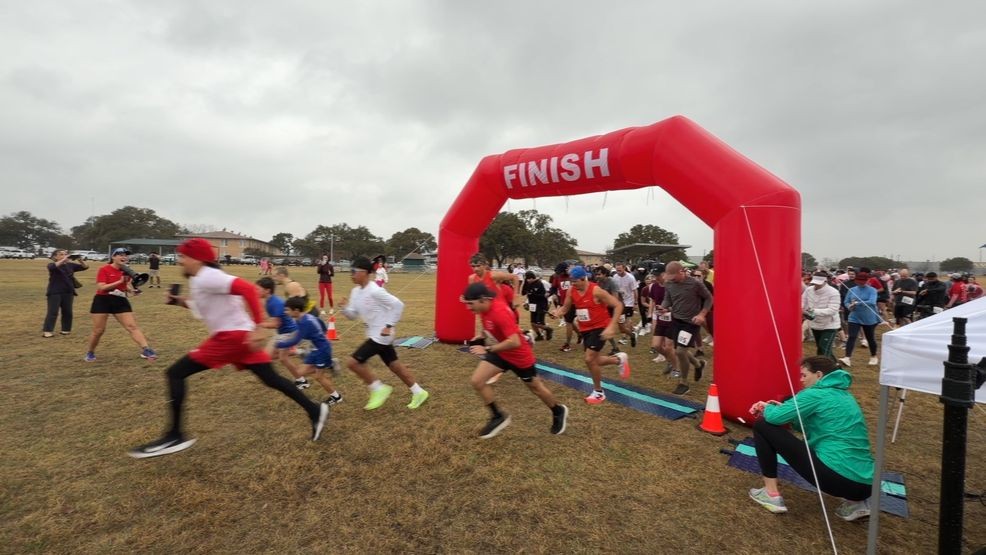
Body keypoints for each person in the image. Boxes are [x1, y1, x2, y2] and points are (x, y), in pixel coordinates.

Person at [128, 238, 328, 458]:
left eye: (183, 256)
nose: (179, 261)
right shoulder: (199, 280)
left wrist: (260, 327)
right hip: (240, 337)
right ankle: (315, 410)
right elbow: (203, 307)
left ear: (198, 258)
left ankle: (175, 435)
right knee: (271, 379)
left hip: (231, 338)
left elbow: (247, 290)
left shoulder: (208, 275)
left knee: (175, 373)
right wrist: (177, 301)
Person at [747, 356, 874, 521]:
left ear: (819, 375)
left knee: (763, 424)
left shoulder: (814, 394)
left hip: (835, 477)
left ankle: (770, 493)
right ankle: (856, 504)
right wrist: (787, 411)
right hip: (866, 486)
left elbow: (774, 418)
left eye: (804, 375)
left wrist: (767, 407)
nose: (801, 380)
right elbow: (812, 427)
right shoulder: (846, 397)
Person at [462, 282, 568, 438]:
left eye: (471, 304)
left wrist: (487, 349)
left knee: (536, 388)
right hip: (502, 352)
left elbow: (514, 342)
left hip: (519, 356)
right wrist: (481, 336)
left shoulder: (499, 312)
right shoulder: (483, 308)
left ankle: (558, 410)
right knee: (477, 381)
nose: (468, 308)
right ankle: (498, 416)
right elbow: (488, 327)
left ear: (483, 299)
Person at [340, 256, 430, 410]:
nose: (352, 274)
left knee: (353, 362)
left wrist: (389, 325)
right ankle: (419, 392)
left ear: (365, 273)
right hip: (374, 334)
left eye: (354, 271)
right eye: (351, 271)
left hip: (381, 335)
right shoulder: (355, 291)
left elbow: (398, 305)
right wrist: (344, 308)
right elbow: (353, 315)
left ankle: (378, 388)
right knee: (395, 365)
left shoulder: (375, 290)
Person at [551, 265, 626, 405]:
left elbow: (618, 305)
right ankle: (619, 360)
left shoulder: (596, 290)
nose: (572, 284)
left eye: (575, 281)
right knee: (595, 360)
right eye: (571, 281)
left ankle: (598, 392)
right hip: (585, 328)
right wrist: (558, 312)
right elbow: (566, 307)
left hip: (600, 327)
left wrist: (611, 326)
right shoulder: (571, 291)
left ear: (583, 278)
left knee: (589, 359)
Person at [84, 248, 157, 362]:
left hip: (120, 300)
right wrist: (119, 281)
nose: (124, 257)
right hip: (103, 300)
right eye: (120, 255)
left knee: (132, 326)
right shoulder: (104, 269)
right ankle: (90, 352)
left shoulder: (126, 270)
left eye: (125, 255)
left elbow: (125, 286)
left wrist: (132, 291)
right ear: (113, 257)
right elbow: (102, 287)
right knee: (99, 330)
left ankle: (146, 349)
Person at [276, 297, 342, 406]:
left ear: (296, 311)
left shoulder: (304, 322)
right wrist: (323, 335)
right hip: (315, 349)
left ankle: (336, 397)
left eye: (287, 310)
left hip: (322, 350)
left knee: (319, 376)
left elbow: (296, 340)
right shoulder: (306, 317)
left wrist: (278, 344)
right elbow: (321, 323)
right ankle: (329, 364)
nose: (285, 312)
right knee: (300, 373)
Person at [659, 261, 712, 395]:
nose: (672, 280)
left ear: (681, 272)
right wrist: (663, 307)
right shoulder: (669, 284)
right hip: (677, 320)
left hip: (691, 322)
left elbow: (709, 298)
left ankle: (684, 383)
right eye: (669, 278)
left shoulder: (695, 284)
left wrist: (702, 314)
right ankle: (699, 364)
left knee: (680, 352)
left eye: (673, 277)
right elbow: (668, 299)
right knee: (680, 350)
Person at [256, 277, 307, 389]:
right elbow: (272, 319)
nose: (256, 291)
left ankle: (301, 379)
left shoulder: (275, 303)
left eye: (258, 289)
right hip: (284, 332)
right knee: (275, 357)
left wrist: (259, 324)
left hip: (289, 332)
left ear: (267, 290)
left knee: (276, 357)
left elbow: (276, 324)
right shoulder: (269, 301)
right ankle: (299, 353)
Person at [42, 250, 88, 338]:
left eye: (65, 254)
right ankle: (48, 331)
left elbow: (85, 267)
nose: (64, 256)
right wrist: (64, 260)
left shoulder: (70, 265)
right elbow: (52, 267)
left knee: (68, 312)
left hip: (68, 291)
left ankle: (66, 329)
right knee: (53, 312)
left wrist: (80, 260)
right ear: (55, 257)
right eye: (61, 254)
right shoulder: (52, 265)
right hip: (55, 292)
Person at [839, 272, 881, 368]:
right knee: (852, 336)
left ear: (867, 281)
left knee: (870, 338)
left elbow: (872, 302)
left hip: (869, 318)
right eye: (859, 280)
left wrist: (857, 303)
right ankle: (847, 357)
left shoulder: (872, 290)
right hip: (854, 317)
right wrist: (849, 306)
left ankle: (873, 356)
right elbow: (846, 301)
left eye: (863, 281)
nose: (861, 282)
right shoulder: (852, 290)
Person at [802, 271, 841, 359]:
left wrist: (814, 311)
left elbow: (833, 310)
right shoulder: (809, 289)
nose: (816, 285)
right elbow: (802, 301)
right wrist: (802, 309)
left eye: (818, 283)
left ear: (825, 281)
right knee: (822, 349)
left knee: (824, 350)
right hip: (815, 323)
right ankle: (837, 369)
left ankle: (826, 370)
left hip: (830, 325)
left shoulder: (833, 292)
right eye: (815, 282)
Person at [611, 263, 639, 348]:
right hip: (620, 302)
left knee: (627, 319)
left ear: (624, 269)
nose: (618, 272)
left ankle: (624, 337)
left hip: (629, 301)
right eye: (617, 270)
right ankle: (632, 333)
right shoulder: (615, 277)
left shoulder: (630, 278)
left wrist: (635, 302)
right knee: (622, 322)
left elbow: (635, 290)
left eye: (620, 270)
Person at [521, 270, 552, 341]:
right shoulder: (528, 283)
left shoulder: (538, 283)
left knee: (539, 322)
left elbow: (542, 296)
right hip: (533, 305)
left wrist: (531, 294)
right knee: (532, 323)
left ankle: (549, 329)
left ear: (532, 278)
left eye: (528, 279)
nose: (527, 280)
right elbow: (523, 293)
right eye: (526, 279)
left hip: (541, 305)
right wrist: (525, 283)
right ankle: (539, 335)